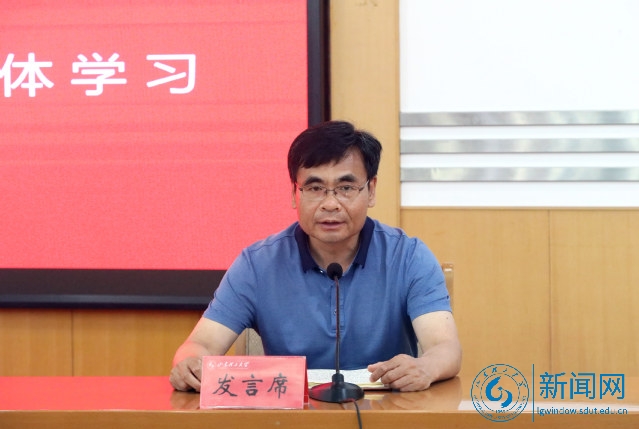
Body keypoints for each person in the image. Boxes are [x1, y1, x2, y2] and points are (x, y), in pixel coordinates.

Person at [170, 120, 461, 392]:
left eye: (346, 188)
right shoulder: (257, 265)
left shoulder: (408, 257)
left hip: (386, 412)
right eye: (315, 188)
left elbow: (445, 348)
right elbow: (201, 344)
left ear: (371, 190)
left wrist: (425, 367)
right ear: (294, 194)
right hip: (291, 415)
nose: (330, 204)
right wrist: (190, 363)